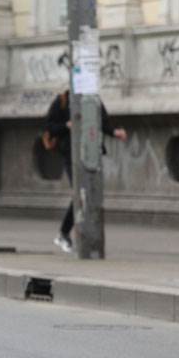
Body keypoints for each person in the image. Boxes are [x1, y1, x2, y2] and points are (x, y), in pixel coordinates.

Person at [44, 90, 127, 253]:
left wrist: (114, 132)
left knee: (88, 193)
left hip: (91, 153)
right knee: (79, 192)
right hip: (71, 154)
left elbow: (101, 121)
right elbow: (49, 126)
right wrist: (65, 126)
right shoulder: (63, 100)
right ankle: (64, 233)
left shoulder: (93, 98)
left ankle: (75, 234)